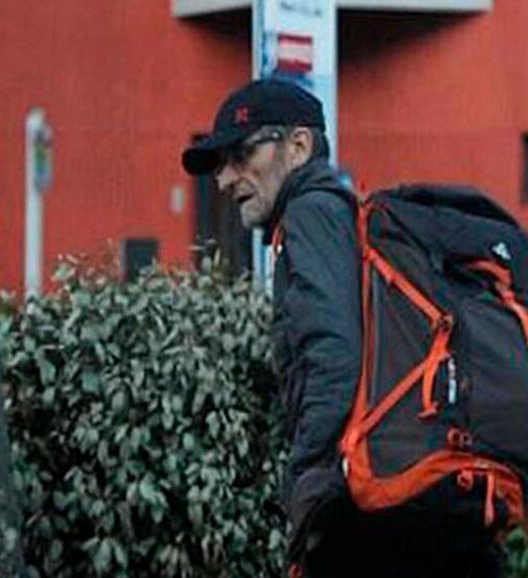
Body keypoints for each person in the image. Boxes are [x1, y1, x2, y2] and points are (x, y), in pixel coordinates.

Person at [182, 79, 501, 578]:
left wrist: (304, 478)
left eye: (240, 154)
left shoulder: (310, 213)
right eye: (220, 163)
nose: (224, 178)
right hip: (419, 509)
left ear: (298, 146)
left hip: (372, 519)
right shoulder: (340, 216)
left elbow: (333, 354)